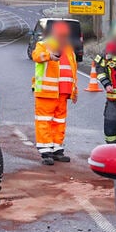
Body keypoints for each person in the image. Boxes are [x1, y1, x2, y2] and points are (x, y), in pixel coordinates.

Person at [31, 20, 78, 164]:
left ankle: (57, 149)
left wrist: (74, 91)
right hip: (47, 92)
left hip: (63, 93)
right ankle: (46, 152)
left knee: (59, 122)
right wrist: (49, 56)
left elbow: (72, 71)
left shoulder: (69, 48)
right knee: (45, 121)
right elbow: (36, 56)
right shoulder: (44, 45)